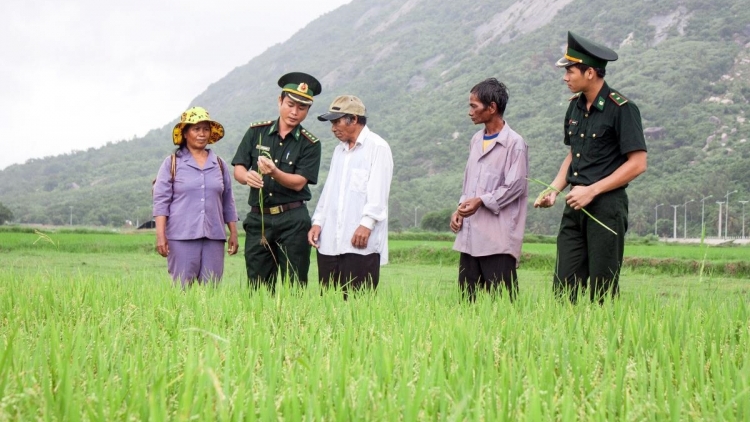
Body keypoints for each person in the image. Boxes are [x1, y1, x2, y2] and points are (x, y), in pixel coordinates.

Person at [533, 31, 648, 303]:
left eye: (570, 71)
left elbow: (638, 163)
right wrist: (554, 189)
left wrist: (592, 191)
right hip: (574, 205)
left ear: (590, 73)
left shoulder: (622, 108)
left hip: (606, 207)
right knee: (564, 287)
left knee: (602, 291)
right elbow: (573, 154)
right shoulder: (574, 108)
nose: (565, 77)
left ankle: (602, 341)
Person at [232, 72, 322, 292]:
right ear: (280, 101)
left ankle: (294, 325)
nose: (294, 112)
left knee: (295, 285)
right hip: (259, 218)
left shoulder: (310, 143)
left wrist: (273, 172)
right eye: (290, 104)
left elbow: (299, 182)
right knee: (258, 286)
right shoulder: (256, 132)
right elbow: (239, 168)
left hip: (293, 220)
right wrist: (247, 177)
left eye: (302, 108)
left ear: (308, 110)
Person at [450, 78, 529, 302]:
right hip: (470, 237)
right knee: (467, 304)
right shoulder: (476, 140)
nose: (470, 112)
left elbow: (515, 186)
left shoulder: (515, 143)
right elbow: (469, 183)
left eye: (474, 106)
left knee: (502, 306)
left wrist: (481, 201)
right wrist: (460, 208)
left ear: (492, 107)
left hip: (497, 240)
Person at [309, 95, 393, 299]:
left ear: (354, 119)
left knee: (358, 304)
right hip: (330, 241)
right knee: (329, 302)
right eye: (332, 122)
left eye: (337, 121)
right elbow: (329, 190)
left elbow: (379, 192)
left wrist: (367, 223)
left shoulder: (377, 147)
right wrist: (318, 221)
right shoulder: (340, 151)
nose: (333, 128)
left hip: (360, 241)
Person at [153, 106, 239, 287]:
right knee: (181, 290)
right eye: (196, 129)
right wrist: (161, 235)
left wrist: (233, 233)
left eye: (206, 129)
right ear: (185, 133)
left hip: (214, 237)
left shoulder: (220, 164)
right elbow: (161, 201)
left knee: (211, 291)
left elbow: (228, 201)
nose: (202, 134)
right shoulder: (172, 163)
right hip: (181, 236)